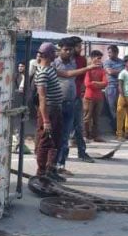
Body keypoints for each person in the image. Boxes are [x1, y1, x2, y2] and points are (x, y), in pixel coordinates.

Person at [34, 42, 92, 182]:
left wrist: (88, 68)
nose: (56, 54)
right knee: (46, 142)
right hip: (49, 111)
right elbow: (42, 98)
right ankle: (41, 172)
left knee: (56, 141)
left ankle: (51, 169)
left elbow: (67, 74)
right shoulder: (42, 72)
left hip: (56, 109)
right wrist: (46, 120)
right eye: (54, 52)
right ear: (48, 55)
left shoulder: (51, 68)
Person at [53, 38, 96, 174]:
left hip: (71, 102)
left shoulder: (72, 61)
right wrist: (88, 68)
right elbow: (67, 74)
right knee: (56, 136)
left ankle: (60, 165)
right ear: (59, 49)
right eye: (65, 49)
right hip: (57, 104)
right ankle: (51, 165)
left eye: (70, 49)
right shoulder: (54, 63)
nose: (68, 52)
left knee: (65, 136)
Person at [83, 50, 108, 142]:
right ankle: (85, 135)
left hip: (99, 98)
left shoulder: (102, 70)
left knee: (96, 118)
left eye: (100, 58)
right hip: (89, 97)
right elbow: (87, 84)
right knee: (87, 117)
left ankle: (95, 135)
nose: (99, 60)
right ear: (92, 58)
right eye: (98, 58)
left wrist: (95, 83)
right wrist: (99, 84)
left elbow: (106, 83)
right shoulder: (88, 69)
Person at [103, 45, 125, 129]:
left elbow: (125, 72)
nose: (108, 54)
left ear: (116, 52)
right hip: (111, 87)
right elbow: (110, 72)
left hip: (121, 87)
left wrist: (117, 72)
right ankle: (115, 127)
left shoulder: (121, 62)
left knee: (121, 107)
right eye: (108, 52)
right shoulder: (107, 62)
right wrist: (121, 72)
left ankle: (121, 126)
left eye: (110, 52)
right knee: (112, 107)